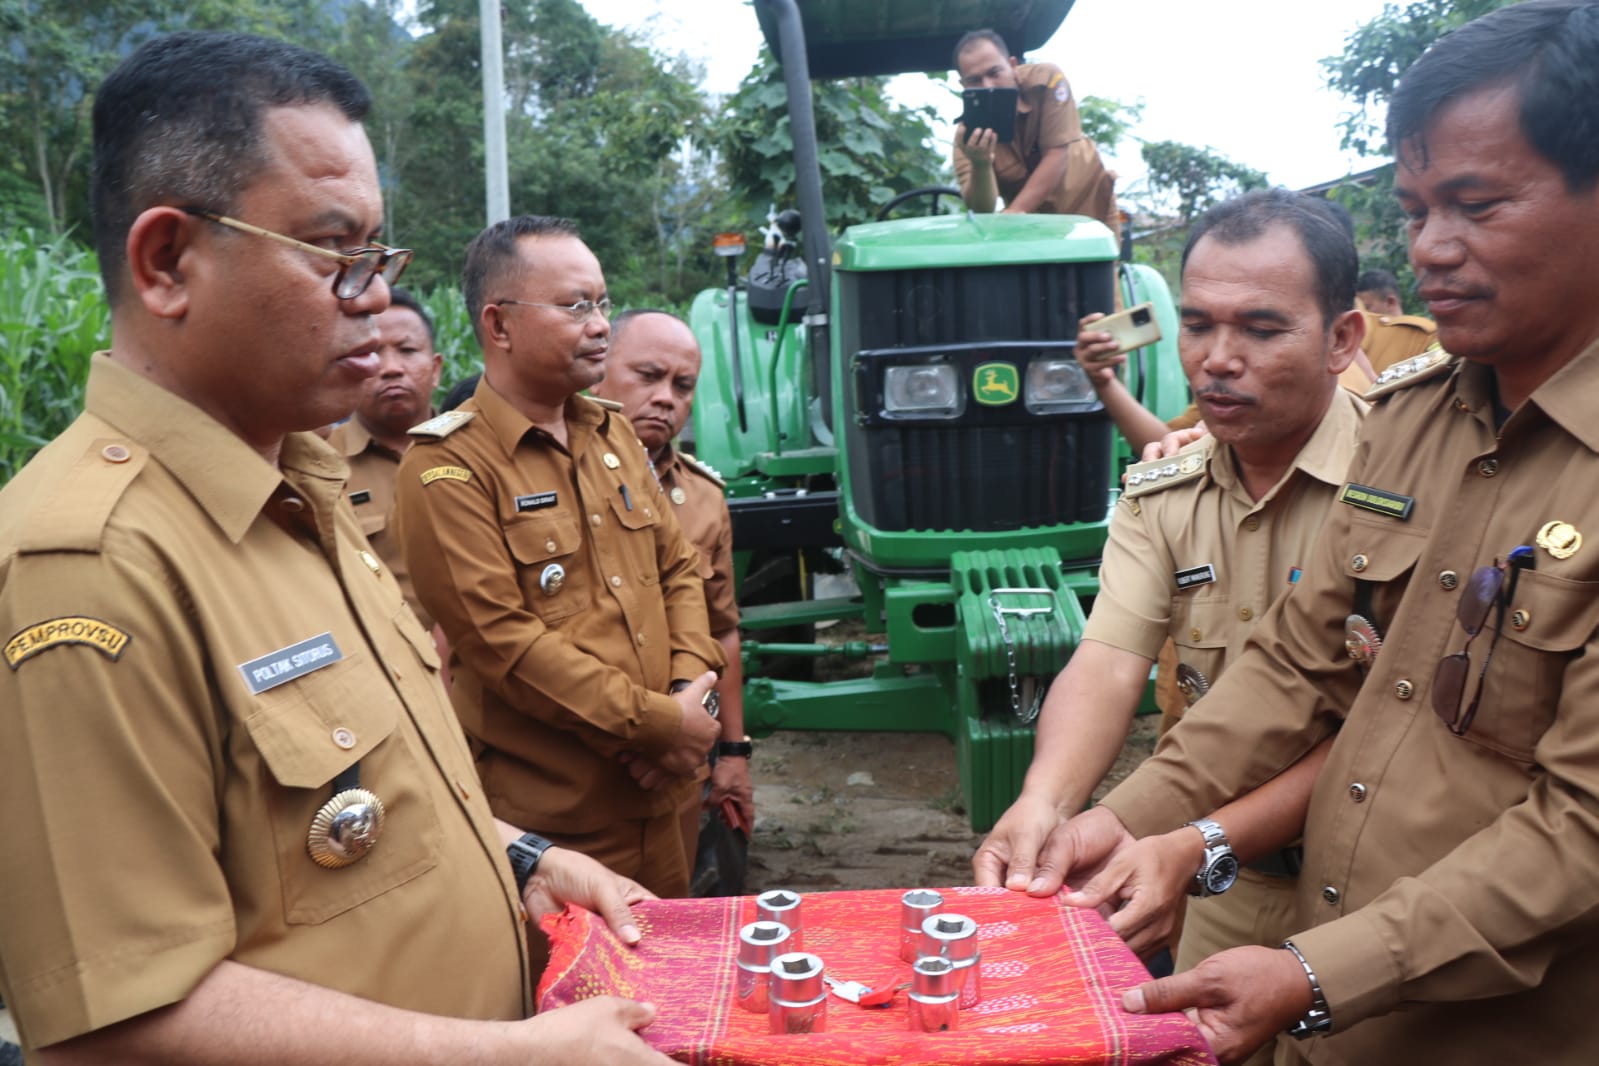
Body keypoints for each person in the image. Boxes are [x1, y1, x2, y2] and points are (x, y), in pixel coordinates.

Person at [0, 31, 676, 1065]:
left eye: (378, 253)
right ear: (168, 261)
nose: (372, 293)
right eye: (333, 251)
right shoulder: (91, 566)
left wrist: (525, 860)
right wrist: (513, 1054)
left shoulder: (302, 498)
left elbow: (338, 829)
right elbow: (120, 1018)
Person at [1027, 3, 1599, 1062]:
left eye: (1475, 205)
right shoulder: (1423, 420)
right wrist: (1129, 816)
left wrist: (1315, 970)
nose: (1431, 247)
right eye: (1417, 207)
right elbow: (1299, 664)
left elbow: (1582, 829)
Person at [974, 190, 1365, 1065]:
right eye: (1196, 325)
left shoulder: (1401, 482)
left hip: (1365, 883)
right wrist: (1045, 803)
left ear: (1341, 339)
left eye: (1260, 330)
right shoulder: (1162, 491)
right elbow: (1109, 659)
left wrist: (1182, 839)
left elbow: (1378, 728)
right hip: (1217, 879)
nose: (1217, 360)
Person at [394, 216, 725, 901]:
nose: (600, 323)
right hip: (551, 835)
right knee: (562, 1002)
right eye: (576, 306)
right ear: (500, 324)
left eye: (602, 302)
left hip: (663, 804)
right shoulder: (447, 465)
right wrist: (663, 727)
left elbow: (677, 574)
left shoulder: (612, 434)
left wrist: (692, 697)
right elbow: (502, 644)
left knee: (669, 994)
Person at [589, 309, 756, 871]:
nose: (666, 398)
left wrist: (729, 752)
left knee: (672, 915)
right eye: (648, 376)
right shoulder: (557, 478)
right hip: (583, 753)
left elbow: (721, 631)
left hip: (683, 758)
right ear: (598, 371)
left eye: (682, 386)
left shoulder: (705, 497)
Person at [326, 285, 441, 628]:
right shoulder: (320, 466)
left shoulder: (481, 449)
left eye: (407, 350)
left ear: (435, 369)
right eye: (374, 352)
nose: (391, 368)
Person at [951, 29, 1118, 229]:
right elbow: (981, 209)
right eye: (974, 80)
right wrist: (981, 164)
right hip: (1032, 226)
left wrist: (1014, 212)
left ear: (1012, 66)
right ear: (963, 85)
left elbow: (1056, 155)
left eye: (994, 73)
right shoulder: (967, 138)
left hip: (1089, 207)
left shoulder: (1046, 80)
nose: (988, 85)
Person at [1354, 267, 1438, 374]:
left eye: (1367, 307)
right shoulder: (1359, 339)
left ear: (1390, 302)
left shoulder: (1423, 336)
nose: (1363, 314)